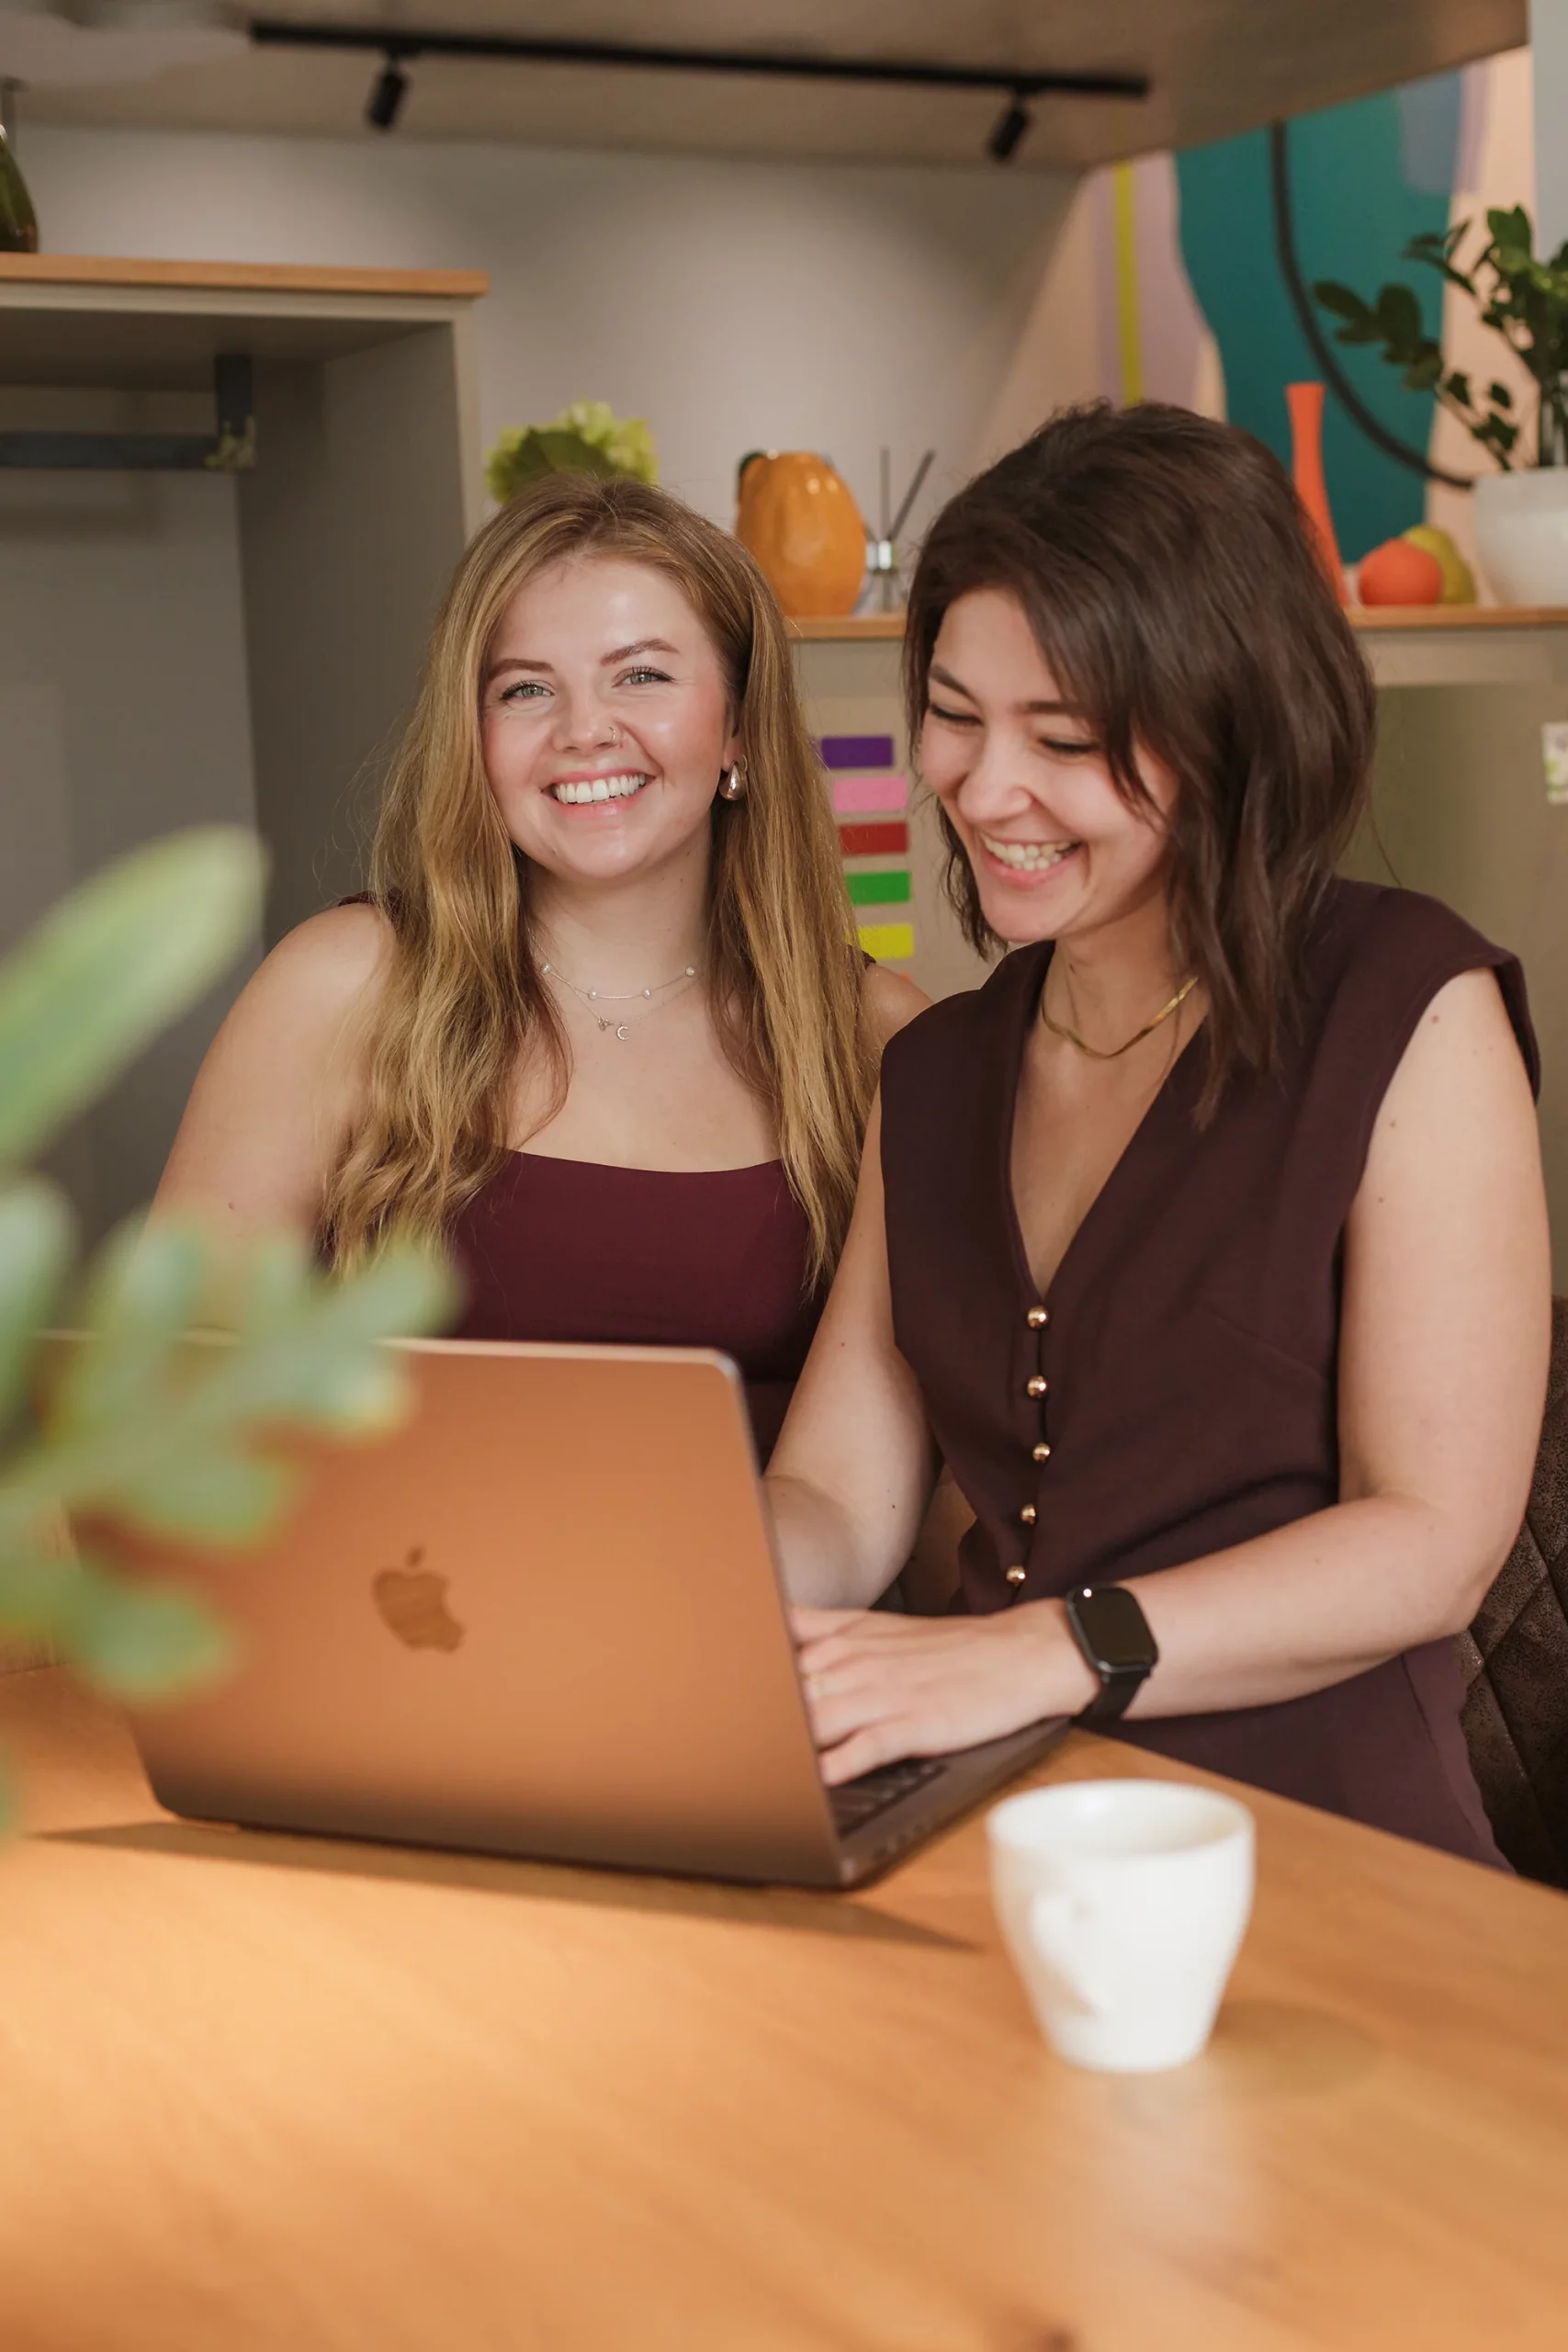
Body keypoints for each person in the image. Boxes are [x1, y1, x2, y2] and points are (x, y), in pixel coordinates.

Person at [768, 402, 1551, 1860]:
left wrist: (1044, 1649)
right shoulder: (933, 1068)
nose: (981, 788)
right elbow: (835, 1491)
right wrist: (670, 1585)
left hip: (1325, 1845)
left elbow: (1432, 1539)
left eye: (1060, 739)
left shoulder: (1405, 1007)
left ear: (1231, 734)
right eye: (952, 712)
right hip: (977, 1816)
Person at [155, 474, 923, 1460]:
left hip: (770, 1608)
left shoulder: (879, 1035)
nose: (583, 730)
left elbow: (949, 1457)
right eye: (525, 688)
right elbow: (166, 1399)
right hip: (409, 1600)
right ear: (474, 740)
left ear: (738, 727)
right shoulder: (346, 986)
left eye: (641, 675)